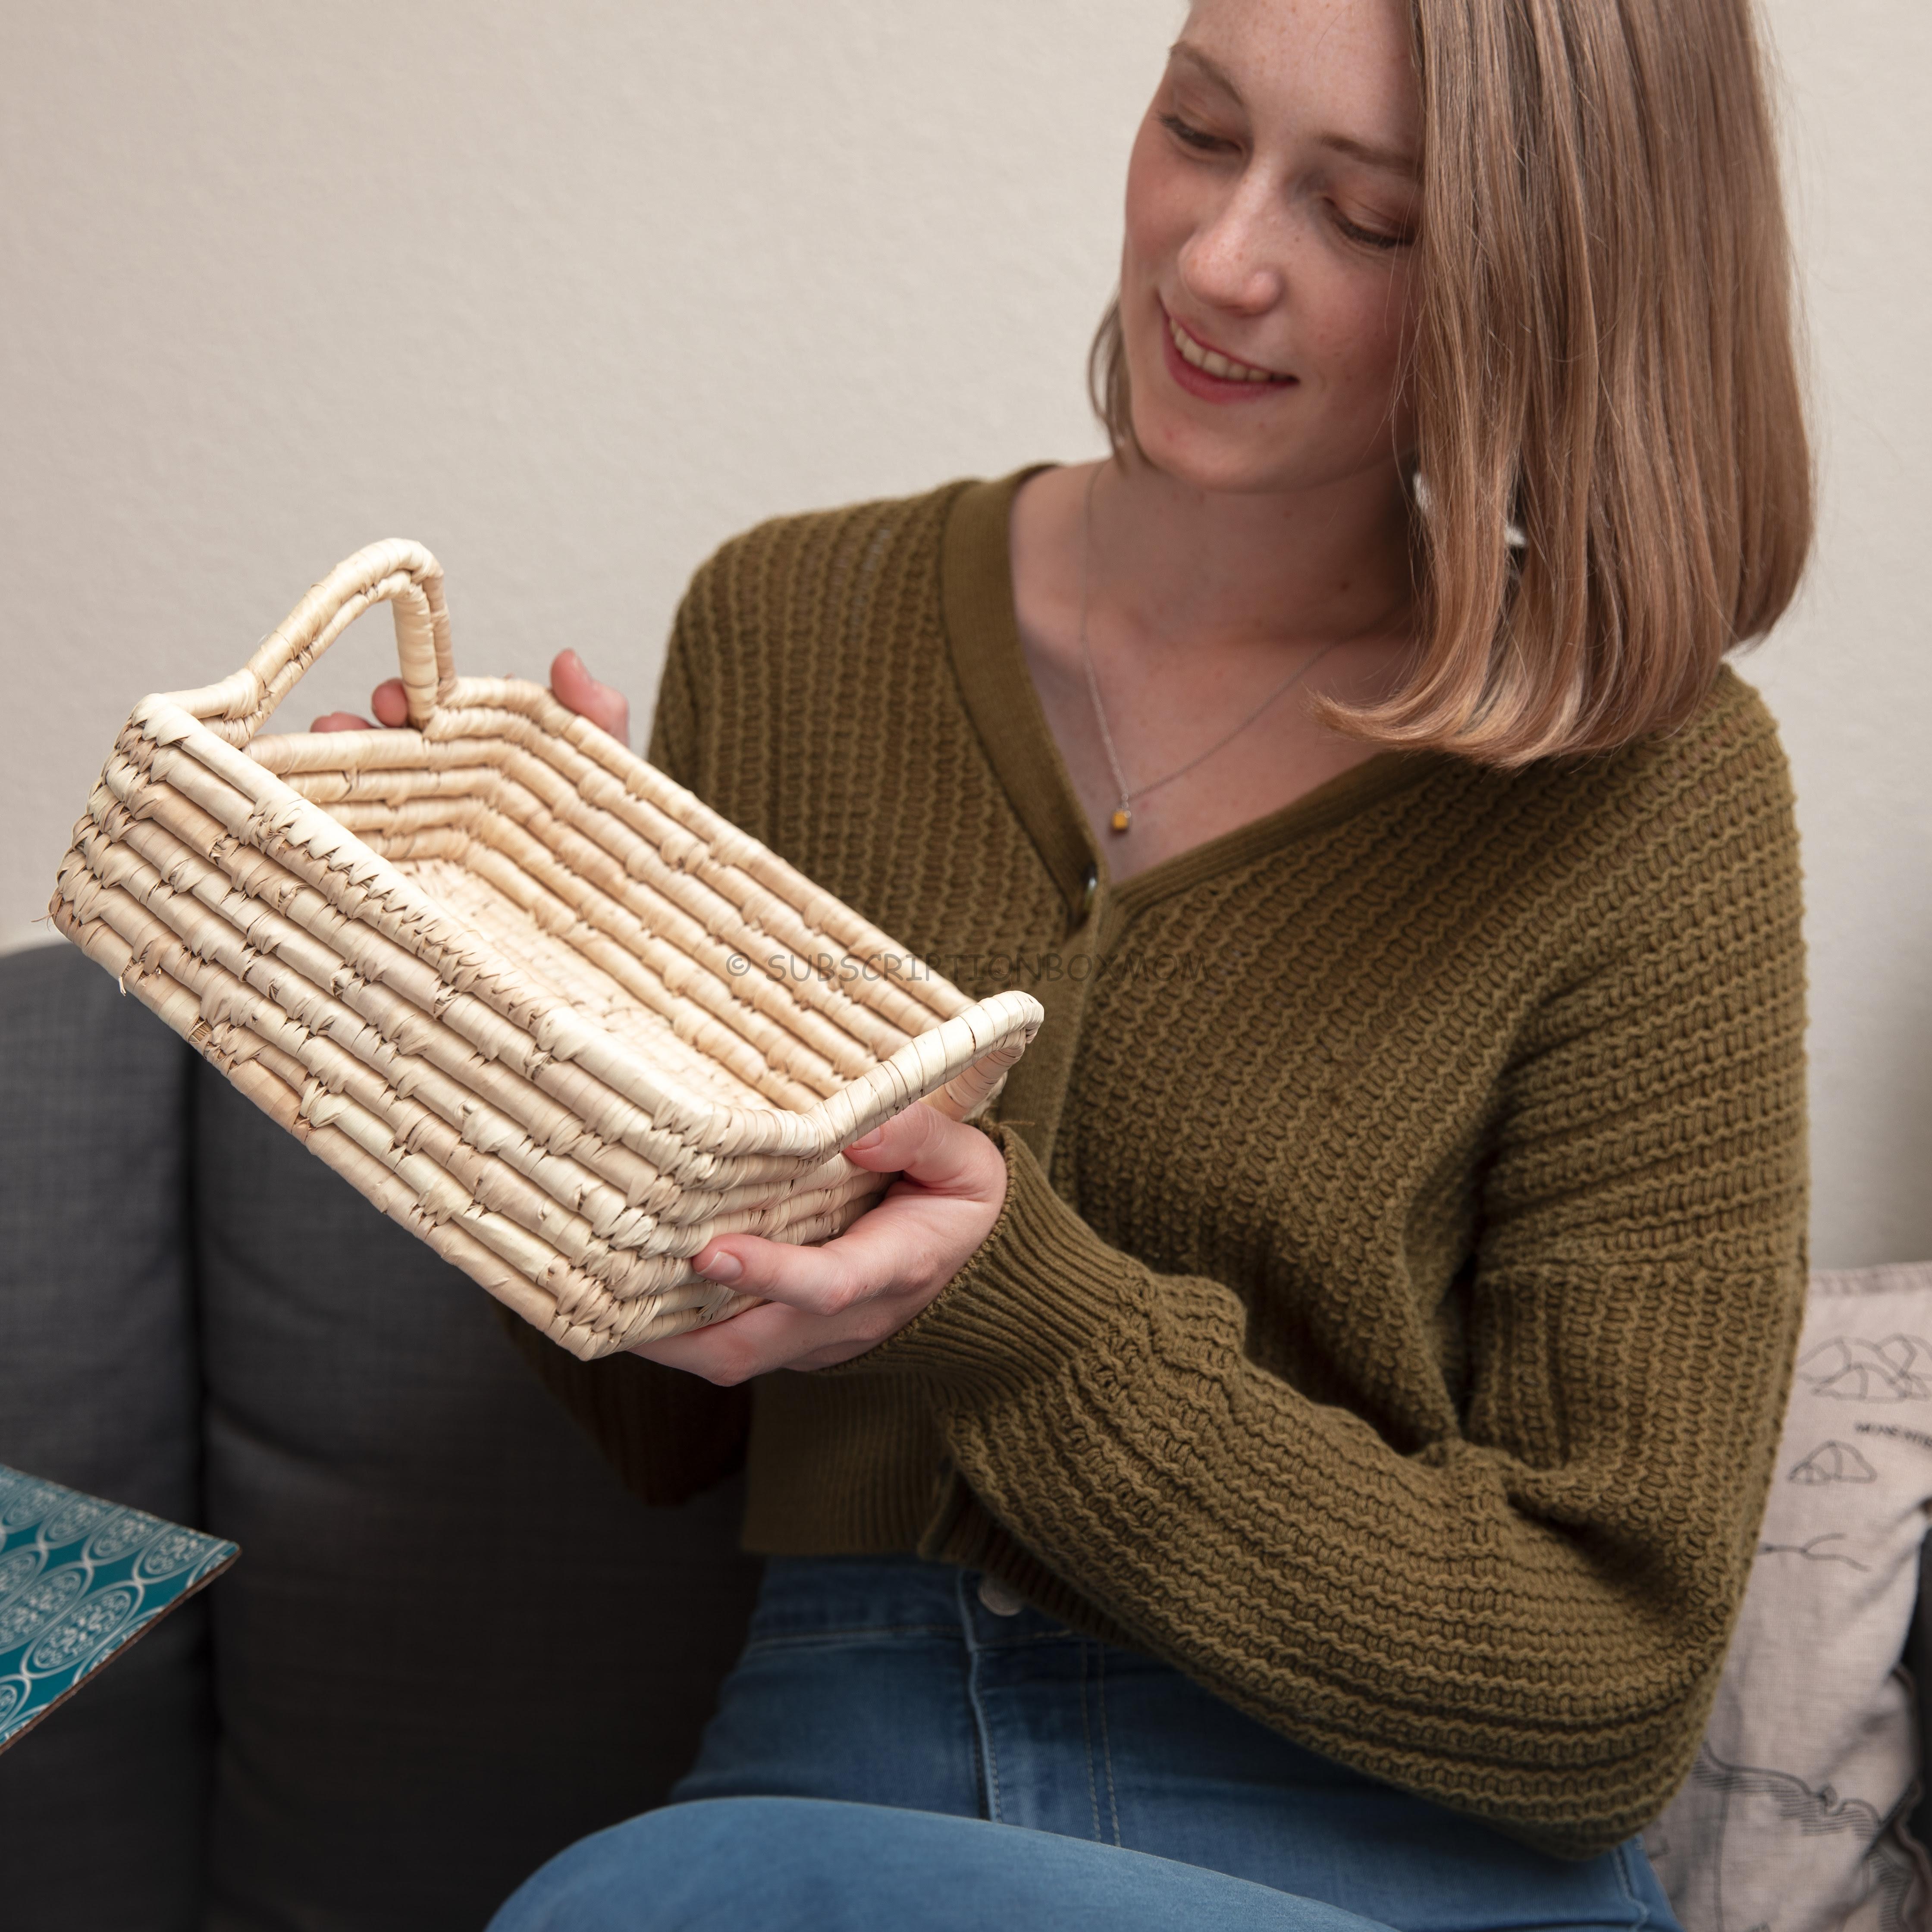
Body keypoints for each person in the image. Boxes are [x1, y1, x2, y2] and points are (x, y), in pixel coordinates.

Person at [321, 0, 1812, 1924]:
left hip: (1371, 1842)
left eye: (1364, 220)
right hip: (830, 1777)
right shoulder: (794, 624)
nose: (1218, 260)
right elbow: (660, 1415)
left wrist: (1010, 1303)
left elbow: (1603, 1688)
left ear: (1549, 289)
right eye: (1198, 130)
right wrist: (523, 1019)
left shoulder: (1651, 791)